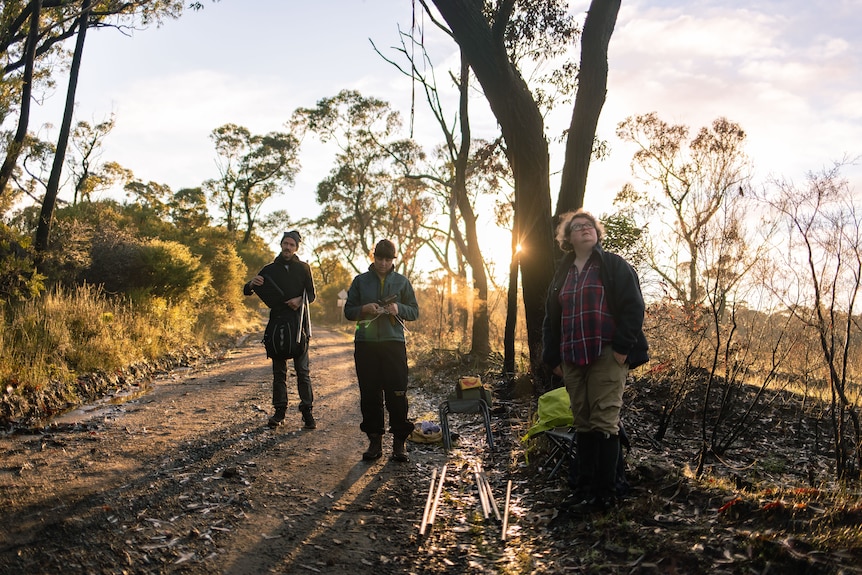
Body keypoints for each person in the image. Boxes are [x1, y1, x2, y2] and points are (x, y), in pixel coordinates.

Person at [542, 209, 649, 513]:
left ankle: (606, 493)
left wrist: (621, 347)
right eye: (577, 227)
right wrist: (552, 357)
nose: (584, 229)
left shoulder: (612, 265)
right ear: (568, 238)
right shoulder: (562, 274)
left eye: (589, 226)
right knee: (584, 422)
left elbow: (634, 306)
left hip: (606, 353)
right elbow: (552, 317)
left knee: (605, 422)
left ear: (597, 233)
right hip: (572, 357)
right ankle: (584, 489)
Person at [344, 239, 419, 462]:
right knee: (370, 393)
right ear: (373, 257)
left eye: (388, 259)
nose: (383, 263)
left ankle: (399, 443)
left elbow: (414, 312)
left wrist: (399, 308)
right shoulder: (360, 281)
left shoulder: (402, 282)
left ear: (393, 260)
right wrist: (364, 309)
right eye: (379, 258)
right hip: (365, 345)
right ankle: (374, 442)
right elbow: (348, 311)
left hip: (394, 344)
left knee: (397, 392)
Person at [244, 230, 317, 430]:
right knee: (279, 372)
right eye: (285, 243)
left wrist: (300, 300)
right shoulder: (269, 269)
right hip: (277, 324)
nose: (288, 247)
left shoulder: (304, 268)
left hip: (299, 325)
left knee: (303, 371)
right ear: (281, 244)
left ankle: (307, 412)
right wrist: (251, 283)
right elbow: (247, 289)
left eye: (292, 245)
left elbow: (311, 295)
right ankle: (279, 412)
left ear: (297, 248)